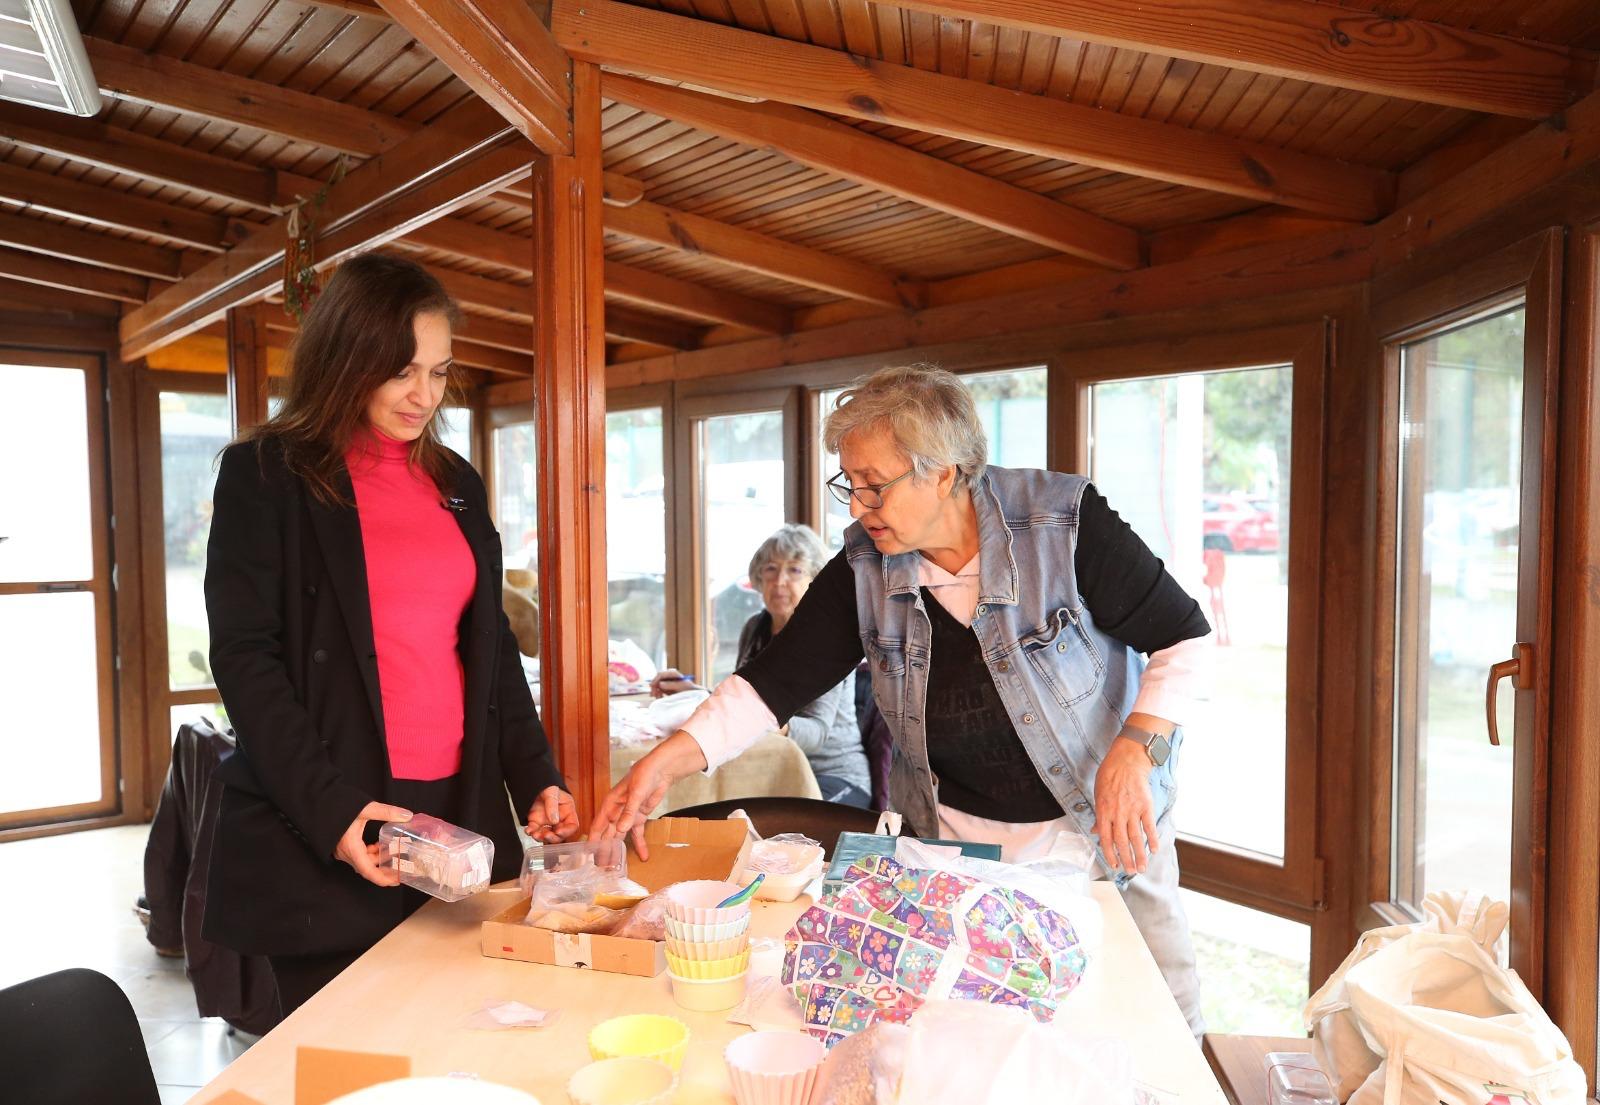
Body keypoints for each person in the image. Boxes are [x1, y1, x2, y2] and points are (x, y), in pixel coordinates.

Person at [596, 364, 1214, 1035]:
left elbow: (1184, 637)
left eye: (874, 485)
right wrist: (666, 761)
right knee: (986, 1027)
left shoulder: (1061, 522)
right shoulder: (867, 566)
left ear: (944, 472)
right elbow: (772, 684)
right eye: (849, 484)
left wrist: (1136, 744)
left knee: (1146, 1012)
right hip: (961, 840)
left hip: (1100, 825)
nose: (858, 506)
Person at [202, 253, 578, 1019]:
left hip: (455, 818)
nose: (423, 394)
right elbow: (245, 660)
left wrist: (535, 772)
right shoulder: (267, 475)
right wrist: (336, 811)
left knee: (458, 1043)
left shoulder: (456, 483)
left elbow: (491, 644)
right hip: (338, 817)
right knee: (352, 1061)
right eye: (402, 370)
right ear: (347, 357)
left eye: (439, 373)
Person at [653, 524, 873, 808]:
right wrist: (693, 691)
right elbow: (750, 697)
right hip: (770, 770)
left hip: (834, 776)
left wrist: (761, 719)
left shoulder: (825, 639)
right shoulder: (755, 628)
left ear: (815, 579)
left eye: (795, 570)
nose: (779, 581)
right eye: (770, 569)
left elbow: (816, 734)